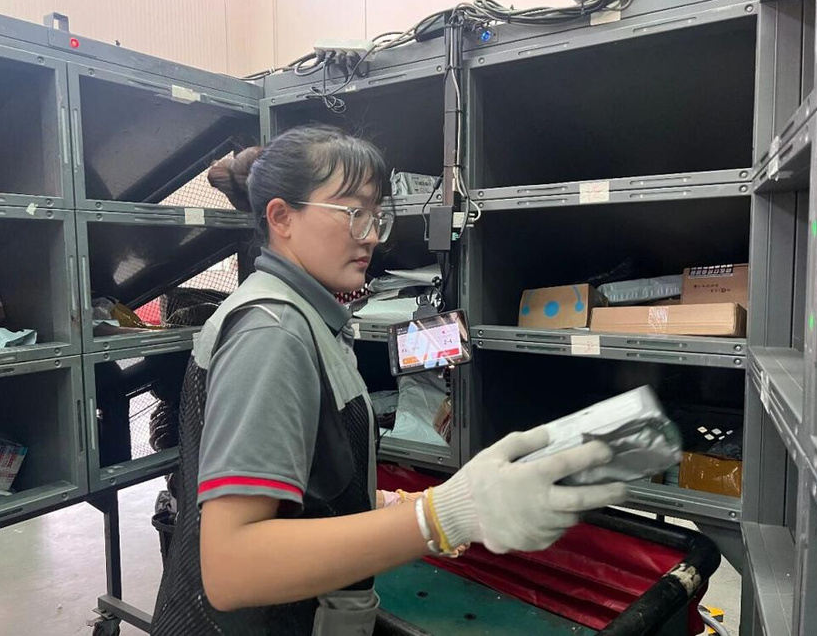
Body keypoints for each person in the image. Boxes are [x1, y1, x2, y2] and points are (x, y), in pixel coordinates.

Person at [151, 125, 628, 635]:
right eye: (354, 213)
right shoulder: (274, 333)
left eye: (376, 215)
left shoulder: (302, 318)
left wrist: (383, 505)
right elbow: (232, 569)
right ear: (282, 217)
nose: (374, 236)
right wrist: (439, 518)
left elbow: (299, 485)